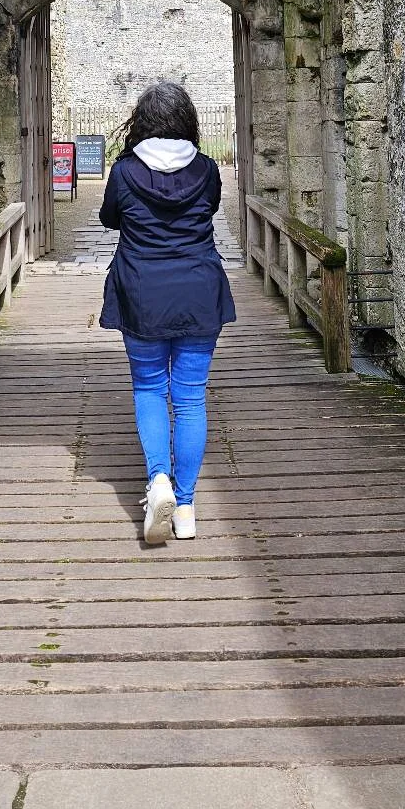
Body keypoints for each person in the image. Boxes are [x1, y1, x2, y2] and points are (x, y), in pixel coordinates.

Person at [99, 81, 237, 545]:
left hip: (141, 290)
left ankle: (158, 480)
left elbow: (109, 219)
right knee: (192, 397)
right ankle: (186, 506)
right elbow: (210, 208)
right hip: (198, 290)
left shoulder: (123, 172)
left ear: (141, 123)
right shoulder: (207, 170)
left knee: (150, 389)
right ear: (187, 123)